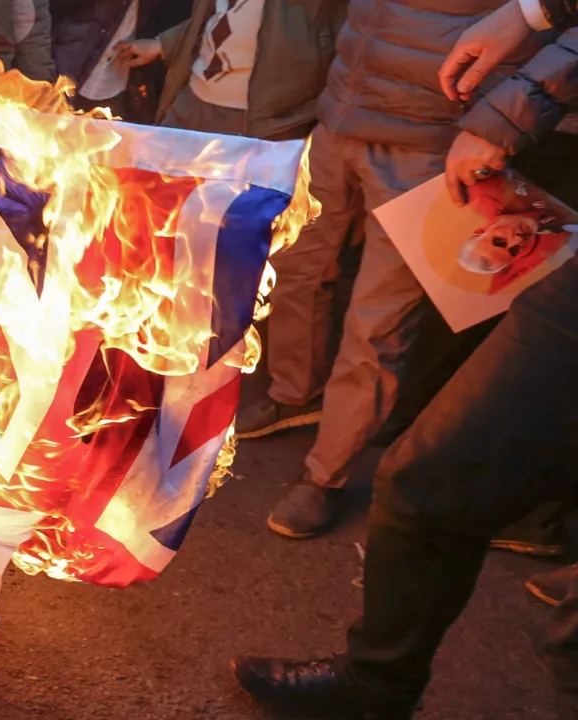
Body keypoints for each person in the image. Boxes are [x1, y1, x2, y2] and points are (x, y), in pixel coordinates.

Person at [230, 4, 578, 716]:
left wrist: (504, 112)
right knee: (303, 283)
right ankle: (374, 687)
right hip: (344, 116)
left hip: (429, 139)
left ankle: (323, 477)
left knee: (378, 326)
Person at [114, 0, 346, 140]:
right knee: (157, 201)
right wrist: (163, 44)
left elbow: (347, 39)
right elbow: (222, 16)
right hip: (192, 101)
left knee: (226, 216)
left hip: (263, 121)